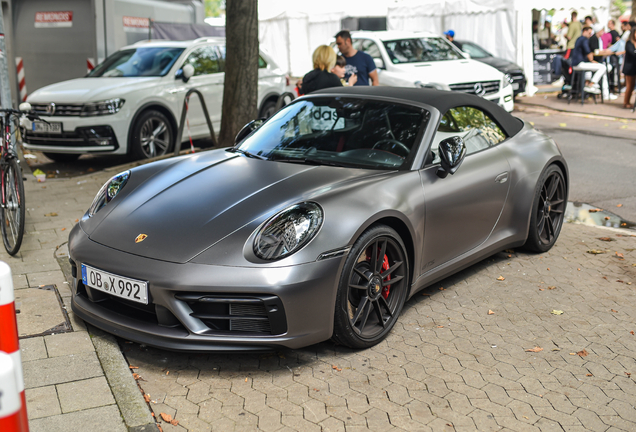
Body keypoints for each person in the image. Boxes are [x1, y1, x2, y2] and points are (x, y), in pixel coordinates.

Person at [571, 26, 607, 95]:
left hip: (576, 64)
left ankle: (587, 84)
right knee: (603, 67)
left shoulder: (578, 39)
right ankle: (592, 84)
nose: (590, 35)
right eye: (589, 33)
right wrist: (592, 60)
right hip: (580, 64)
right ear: (585, 31)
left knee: (590, 68)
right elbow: (588, 51)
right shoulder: (584, 39)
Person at [623, 29, 636, 108]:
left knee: (632, 85)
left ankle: (628, 102)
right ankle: (625, 102)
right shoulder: (629, 43)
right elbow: (632, 52)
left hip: (634, 67)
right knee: (629, 86)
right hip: (629, 68)